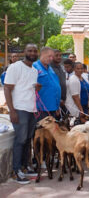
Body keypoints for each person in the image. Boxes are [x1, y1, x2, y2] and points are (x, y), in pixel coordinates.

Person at [4, 44, 39, 184]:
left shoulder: (34, 70)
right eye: (29, 50)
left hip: (31, 109)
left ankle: (25, 167)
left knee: (27, 139)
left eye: (34, 51)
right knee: (20, 140)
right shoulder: (15, 67)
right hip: (19, 109)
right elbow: (7, 88)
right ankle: (16, 171)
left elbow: (26, 88)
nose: (32, 52)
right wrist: (12, 110)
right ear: (24, 52)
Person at [33, 47, 61, 119]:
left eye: (52, 56)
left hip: (53, 107)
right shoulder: (34, 67)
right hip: (41, 109)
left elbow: (55, 86)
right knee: (42, 130)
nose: (51, 59)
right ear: (42, 54)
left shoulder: (50, 68)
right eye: (49, 56)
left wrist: (57, 106)